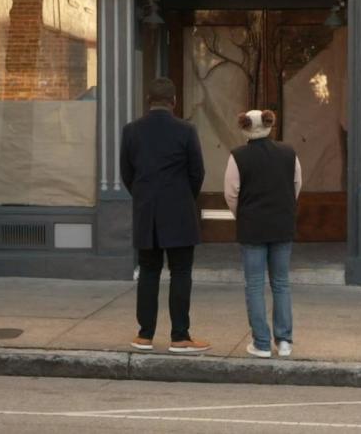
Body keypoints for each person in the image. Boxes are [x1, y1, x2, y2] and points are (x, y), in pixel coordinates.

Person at [120, 78, 210, 354]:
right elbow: (197, 172)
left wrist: (144, 197)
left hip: (147, 213)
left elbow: (127, 173)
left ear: (148, 100)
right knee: (181, 272)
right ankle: (180, 336)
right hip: (179, 212)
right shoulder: (186, 130)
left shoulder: (131, 130)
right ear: (173, 101)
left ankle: (144, 335)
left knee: (148, 272)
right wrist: (184, 197)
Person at [224, 110, 302, 358]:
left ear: (245, 128)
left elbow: (231, 193)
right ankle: (285, 340)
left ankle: (261, 342)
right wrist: (285, 207)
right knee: (281, 283)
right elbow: (297, 185)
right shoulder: (289, 153)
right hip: (282, 224)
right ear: (270, 126)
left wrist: (243, 214)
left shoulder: (237, 156)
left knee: (255, 285)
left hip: (252, 227)